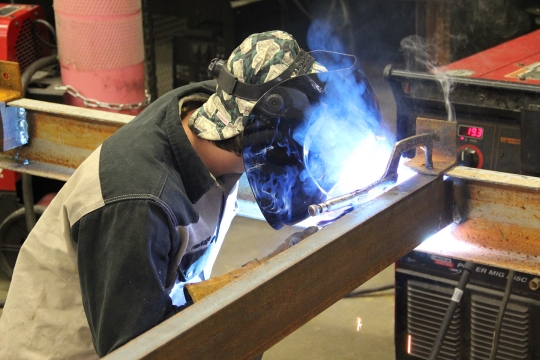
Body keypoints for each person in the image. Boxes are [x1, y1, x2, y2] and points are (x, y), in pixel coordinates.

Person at [0, 30, 334, 358]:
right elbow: (141, 350)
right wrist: (262, 278)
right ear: (263, 135)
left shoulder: (210, 105)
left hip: (147, 318)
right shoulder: (140, 202)